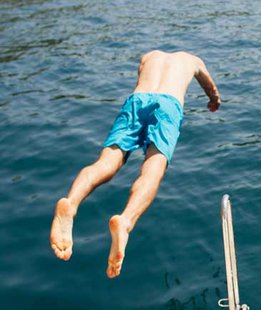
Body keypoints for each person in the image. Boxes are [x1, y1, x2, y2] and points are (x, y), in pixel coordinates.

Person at [50, 50, 221, 278]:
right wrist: (213, 100)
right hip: (168, 106)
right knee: (153, 169)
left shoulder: (148, 57)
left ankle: (71, 203)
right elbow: (211, 88)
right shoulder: (193, 61)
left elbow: (142, 81)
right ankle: (126, 221)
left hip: (136, 100)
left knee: (107, 161)